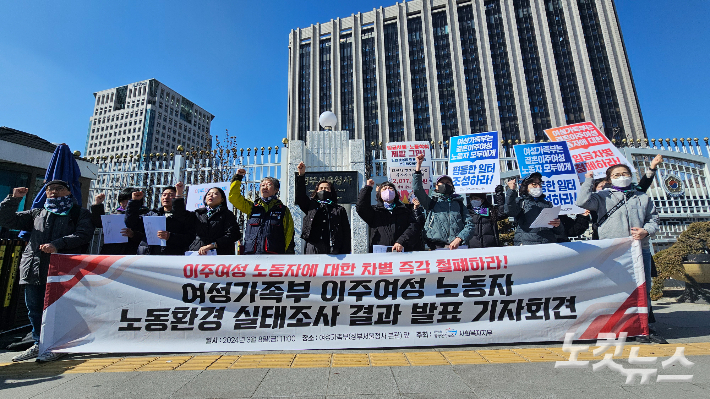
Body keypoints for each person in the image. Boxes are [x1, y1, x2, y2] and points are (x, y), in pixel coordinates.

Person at [0, 180, 93, 362]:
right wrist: (13, 199)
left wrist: (57, 245)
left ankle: (59, 345)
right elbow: (5, 219)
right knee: (34, 310)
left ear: (69, 192)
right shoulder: (38, 212)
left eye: (59, 189)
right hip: (34, 269)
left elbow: (84, 234)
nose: (54, 192)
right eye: (50, 189)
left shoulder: (79, 213)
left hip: (64, 270)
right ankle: (39, 343)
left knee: (61, 309)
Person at [577, 163, 663, 343]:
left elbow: (653, 219)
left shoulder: (642, 197)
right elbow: (582, 201)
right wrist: (588, 180)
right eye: (616, 174)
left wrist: (646, 231)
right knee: (613, 288)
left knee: (642, 289)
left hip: (640, 249)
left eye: (625, 173)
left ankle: (643, 328)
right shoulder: (602, 196)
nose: (622, 176)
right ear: (609, 179)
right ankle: (613, 327)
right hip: (612, 251)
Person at [413, 154, 474, 250]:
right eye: (442, 183)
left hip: (458, 247)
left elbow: (470, 224)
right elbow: (417, 189)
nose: (445, 185)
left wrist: (459, 238)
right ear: (436, 186)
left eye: (448, 183)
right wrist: (418, 167)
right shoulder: (431, 202)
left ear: (452, 186)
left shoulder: (459, 204)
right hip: (436, 247)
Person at [228, 169, 294, 254]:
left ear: (276, 190)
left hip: (274, 256)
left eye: (269, 185)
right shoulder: (252, 207)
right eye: (262, 185)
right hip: (252, 254)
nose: (265, 187)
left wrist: (287, 254)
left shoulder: (282, 209)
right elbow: (234, 198)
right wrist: (238, 178)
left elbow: (289, 233)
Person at [295, 162, 351, 254]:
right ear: (316, 191)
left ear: (331, 191)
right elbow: (300, 196)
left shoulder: (339, 209)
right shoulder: (311, 205)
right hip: (313, 246)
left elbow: (346, 232)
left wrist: (345, 251)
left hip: (333, 247)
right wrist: (301, 176)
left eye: (326, 188)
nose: (323, 190)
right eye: (321, 188)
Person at [125, 182, 195, 255]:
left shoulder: (185, 216)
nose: (166, 197)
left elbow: (189, 238)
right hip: (147, 255)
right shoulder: (152, 214)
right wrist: (134, 202)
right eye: (164, 195)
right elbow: (131, 223)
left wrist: (170, 237)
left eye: (170, 195)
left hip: (171, 257)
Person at [356, 179, 419, 252]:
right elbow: (361, 207)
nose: (388, 191)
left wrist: (401, 241)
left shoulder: (404, 210)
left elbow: (413, 226)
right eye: (384, 189)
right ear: (380, 194)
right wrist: (367, 188)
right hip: (380, 254)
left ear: (395, 193)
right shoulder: (375, 211)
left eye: (390, 188)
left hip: (401, 252)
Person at [504, 172, 564, 245]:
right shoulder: (521, 202)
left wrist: (558, 225)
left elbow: (559, 231)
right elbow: (509, 211)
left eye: (539, 184)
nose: (538, 187)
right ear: (525, 186)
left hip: (547, 243)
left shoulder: (547, 204)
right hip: (527, 243)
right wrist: (511, 191)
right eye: (534, 184)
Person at [90, 187, 147, 255]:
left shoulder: (145, 214)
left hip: (132, 253)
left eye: (128, 201)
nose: (125, 204)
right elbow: (99, 223)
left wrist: (133, 235)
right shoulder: (115, 213)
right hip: (111, 252)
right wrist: (97, 205)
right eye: (123, 201)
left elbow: (147, 236)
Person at [187, 187, 241, 255]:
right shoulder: (198, 213)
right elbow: (181, 217)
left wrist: (213, 245)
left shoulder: (227, 214)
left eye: (215, 194)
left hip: (220, 255)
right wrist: (179, 194)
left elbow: (234, 234)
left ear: (222, 199)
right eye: (208, 194)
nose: (211, 196)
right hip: (197, 253)